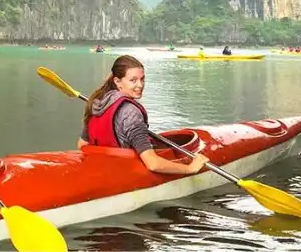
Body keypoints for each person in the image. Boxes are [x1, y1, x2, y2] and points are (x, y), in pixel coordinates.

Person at [78, 55, 210, 174]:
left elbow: (82, 145)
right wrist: (190, 168)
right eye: (133, 80)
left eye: (142, 79)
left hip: (102, 167)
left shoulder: (98, 102)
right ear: (117, 81)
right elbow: (153, 164)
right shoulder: (131, 113)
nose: (140, 85)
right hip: (122, 171)